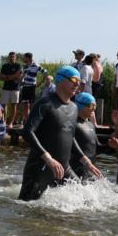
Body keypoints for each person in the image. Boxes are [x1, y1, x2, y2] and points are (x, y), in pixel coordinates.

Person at [18, 66, 100, 201]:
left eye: (79, 81)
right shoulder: (45, 103)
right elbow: (28, 132)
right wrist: (48, 158)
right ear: (60, 80)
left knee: (86, 200)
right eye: (73, 79)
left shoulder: (73, 107)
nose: (77, 84)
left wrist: (86, 162)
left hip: (64, 167)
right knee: (26, 208)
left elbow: (70, 137)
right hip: (41, 166)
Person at [70, 92, 100, 179]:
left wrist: (109, 146)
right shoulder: (72, 124)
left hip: (90, 170)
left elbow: (97, 148)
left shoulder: (90, 125)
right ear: (81, 106)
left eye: (95, 106)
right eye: (91, 106)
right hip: (76, 170)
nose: (94, 109)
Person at [19, 52, 44, 125]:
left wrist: (40, 83)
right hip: (25, 87)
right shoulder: (25, 66)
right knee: (25, 104)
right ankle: (26, 120)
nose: (23, 59)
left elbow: (45, 73)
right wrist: (21, 81)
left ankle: (32, 121)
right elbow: (23, 75)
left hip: (32, 87)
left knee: (32, 105)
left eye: (24, 57)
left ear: (28, 58)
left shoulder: (36, 65)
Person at [0, 51, 22, 127]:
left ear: (16, 58)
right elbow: (1, 77)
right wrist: (13, 77)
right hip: (6, 88)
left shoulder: (18, 66)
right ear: (8, 58)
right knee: (3, 105)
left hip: (15, 88)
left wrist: (7, 77)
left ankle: (11, 123)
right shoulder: (5, 66)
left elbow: (18, 76)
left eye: (13, 57)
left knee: (14, 105)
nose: (12, 58)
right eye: (10, 57)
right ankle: (4, 121)